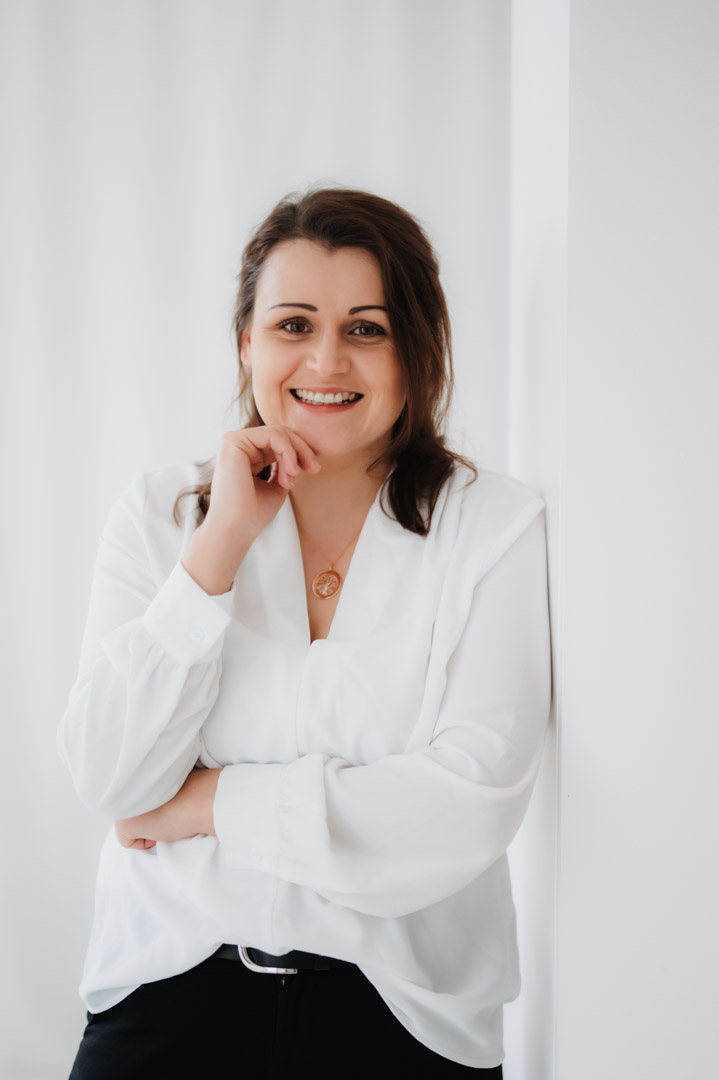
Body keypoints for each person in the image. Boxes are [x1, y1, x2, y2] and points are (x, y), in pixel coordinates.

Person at [59, 187, 551, 1078]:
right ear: (246, 343)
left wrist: (205, 804)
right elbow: (108, 775)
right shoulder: (161, 517)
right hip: (169, 993)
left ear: (417, 350)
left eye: (367, 328)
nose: (327, 359)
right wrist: (218, 548)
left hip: (403, 1016)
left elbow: (468, 803)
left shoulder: (493, 527)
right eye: (293, 324)